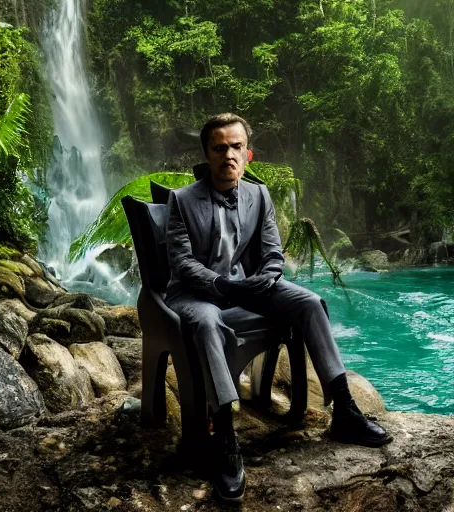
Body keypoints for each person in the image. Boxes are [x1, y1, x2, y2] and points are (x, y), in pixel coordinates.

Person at [164, 113, 392, 503]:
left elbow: (273, 255)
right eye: (219, 148)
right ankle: (225, 435)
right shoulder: (182, 201)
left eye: (236, 147)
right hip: (199, 294)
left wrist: (262, 282)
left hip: (251, 287)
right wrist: (222, 284)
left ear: (247, 154)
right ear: (207, 153)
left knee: (309, 301)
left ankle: (346, 411)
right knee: (204, 322)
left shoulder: (259, 195)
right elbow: (183, 264)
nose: (228, 155)